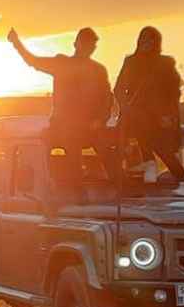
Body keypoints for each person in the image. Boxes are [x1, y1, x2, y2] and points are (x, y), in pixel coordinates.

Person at [7, 26, 116, 200]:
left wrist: (100, 120)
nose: (89, 47)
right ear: (76, 44)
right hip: (64, 125)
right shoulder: (61, 63)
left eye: (92, 44)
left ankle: (121, 187)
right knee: (68, 143)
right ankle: (74, 192)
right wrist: (16, 43)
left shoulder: (98, 70)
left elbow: (107, 99)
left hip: (91, 126)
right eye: (85, 43)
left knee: (108, 148)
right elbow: (33, 61)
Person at [114, 27, 184, 197]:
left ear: (156, 43)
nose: (146, 44)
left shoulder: (165, 63)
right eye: (143, 40)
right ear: (138, 41)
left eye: (150, 40)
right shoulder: (131, 62)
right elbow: (119, 88)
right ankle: (146, 165)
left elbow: (173, 91)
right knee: (120, 139)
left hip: (159, 114)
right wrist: (124, 105)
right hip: (135, 112)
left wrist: (168, 115)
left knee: (161, 146)